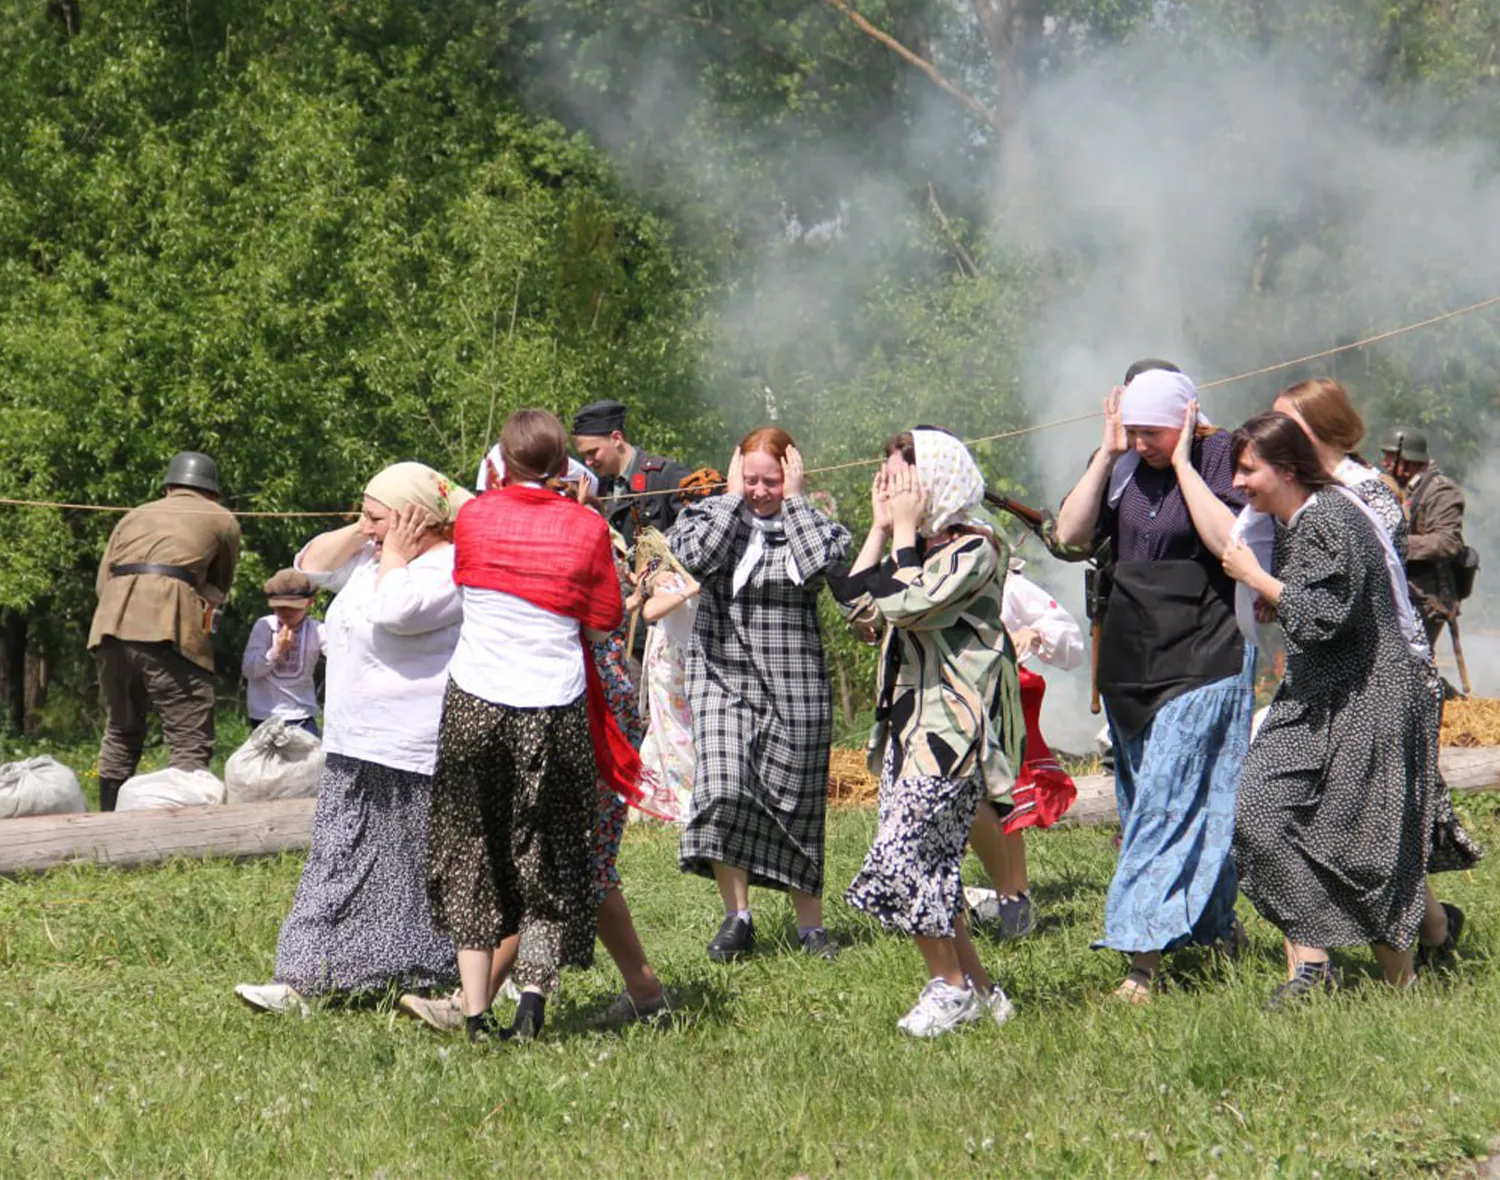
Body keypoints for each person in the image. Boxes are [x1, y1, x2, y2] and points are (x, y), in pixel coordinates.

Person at [425, 409, 646, 1043]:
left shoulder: (473, 517)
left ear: (502, 460)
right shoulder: (586, 526)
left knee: (473, 847)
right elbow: (603, 621)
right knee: (548, 852)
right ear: (562, 464)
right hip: (551, 704)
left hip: (474, 699)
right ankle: (531, 1007)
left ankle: (473, 1015)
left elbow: (469, 580)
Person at [233, 462, 469, 1014]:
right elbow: (309, 567)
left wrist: (393, 551)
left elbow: (397, 614)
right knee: (337, 859)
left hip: (413, 742)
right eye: (365, 514)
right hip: (352, 739)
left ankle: (433, 974)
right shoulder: (371, 556)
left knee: (415, 869)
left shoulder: (450, 566)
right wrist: (367, 527)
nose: (368, 526)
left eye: (377, 515)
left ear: (417, 517)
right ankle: (301, 981)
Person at [1222, 412, 1439, 1006]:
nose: (1239, 483)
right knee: (1261, 810)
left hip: (1370, 697)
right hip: (1321, 695)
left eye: (1249, 470)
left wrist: (1256, 579)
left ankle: (1402, 990)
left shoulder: (1326, 519)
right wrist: (1277, 593)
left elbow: (1321, 617)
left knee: (1368, 847)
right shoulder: (1302, 519)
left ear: (1287, 469)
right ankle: (1317, 959)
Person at [1052, 367, 1253, 1003]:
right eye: (1132, 430)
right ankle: (1219, 930)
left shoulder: (1222, 456)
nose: (1142, 442)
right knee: (1149, 802)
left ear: (1186, 419)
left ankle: (1142, 960)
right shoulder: (1116, 463)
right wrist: (1107, 455)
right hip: (1133, 651)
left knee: (1173, 800)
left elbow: (1232, 547)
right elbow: (1068, 536)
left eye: (1153, 431)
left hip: (1206, 649)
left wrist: (1187, 460)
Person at [1270, 380, 1476, 964]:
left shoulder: (1379, 495)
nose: (1394, 463)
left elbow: (1431, 545)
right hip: (1330, 658)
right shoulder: (1311, 490)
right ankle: (1428, 930)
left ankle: (1413, 946)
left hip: (1393, 643)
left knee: (1380, 815)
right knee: (1352, 811)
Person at [831, 429, 1020, 1036]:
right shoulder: (919, 545)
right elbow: (858, 608)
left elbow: (909, 605)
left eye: (903, 482)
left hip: (950, 732)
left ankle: (949, 986)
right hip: (908, 730)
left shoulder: (977, 549)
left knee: (905, 858)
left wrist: (906, 537)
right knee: (935, 868)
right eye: (888, 481)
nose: (894, 491)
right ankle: (982, 992)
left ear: (937, 480)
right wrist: (882, 530)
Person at [670, 427, 851, 962]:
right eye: (750, 479)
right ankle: (737, 916)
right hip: (721, 676)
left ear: (791, 475)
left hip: (794, 680)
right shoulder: (709, 516)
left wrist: (794, 503)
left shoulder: (812, 519)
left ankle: (810, 927)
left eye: (770, 480)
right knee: (722, 787)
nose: (759, 490)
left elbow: (825, 567)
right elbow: (694, 560)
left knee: (797, 801)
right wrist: (728, 498)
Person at [88, 451, 241, 811]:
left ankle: (106, 820)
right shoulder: (221, 518)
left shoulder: (133, 515)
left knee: (122, 729)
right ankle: (185, 827)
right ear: (212, 492)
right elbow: (220, 585)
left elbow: (101, 582)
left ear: (169, 487)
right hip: (169, 624)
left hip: (110, 625)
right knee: (188, 725)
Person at [965, 564, 1085, 937]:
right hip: (939, 700)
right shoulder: (917, 570)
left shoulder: (1004, 582)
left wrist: (1031, 632)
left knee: (1003, 805)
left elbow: (1066, 636)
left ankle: (1016, 899)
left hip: (997, 705)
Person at [1379, 426, 1468, 650]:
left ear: (1408, 460)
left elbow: (1447, 542)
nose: (1385, 463)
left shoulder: (1442, 492)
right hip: (1401, 592)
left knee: (1411, 667)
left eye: (1391, 457)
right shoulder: (1395, 487)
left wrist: (1396, 545)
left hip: (1428, 598)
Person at [571, 399, 692, 549]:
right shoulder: (599, 488)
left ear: (616, 439)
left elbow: (696, 533)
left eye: (592, 452)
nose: (588, 462)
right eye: (584, 456)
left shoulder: (665, 476)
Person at [241, 569, 325, 735]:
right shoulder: (265, 626)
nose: (286, 612)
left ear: (309, 603)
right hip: (265, 713)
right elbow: (249, 670)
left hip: (301, 713)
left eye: (293, 608)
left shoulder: (317, 630)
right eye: (280, 607)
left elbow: (339, 654)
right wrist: (277, 651)